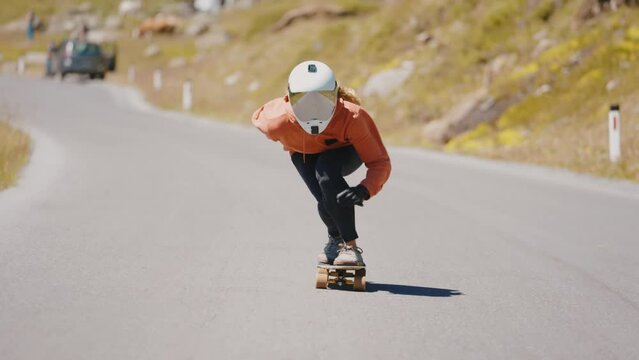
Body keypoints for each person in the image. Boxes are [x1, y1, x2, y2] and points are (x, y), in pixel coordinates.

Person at [251, 60, 391, 266]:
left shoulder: (352, 117)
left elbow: (379, 162)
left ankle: (351, 249)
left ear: (336, 95)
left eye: (322, 100)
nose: (313, 107)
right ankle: (335, 239)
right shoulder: (274, 121)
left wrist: (364, 189)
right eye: (303, 101)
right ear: (289, 98)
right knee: (326, 201)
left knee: (326, 171)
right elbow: (258, 117)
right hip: (303, 153)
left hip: (345, 150)